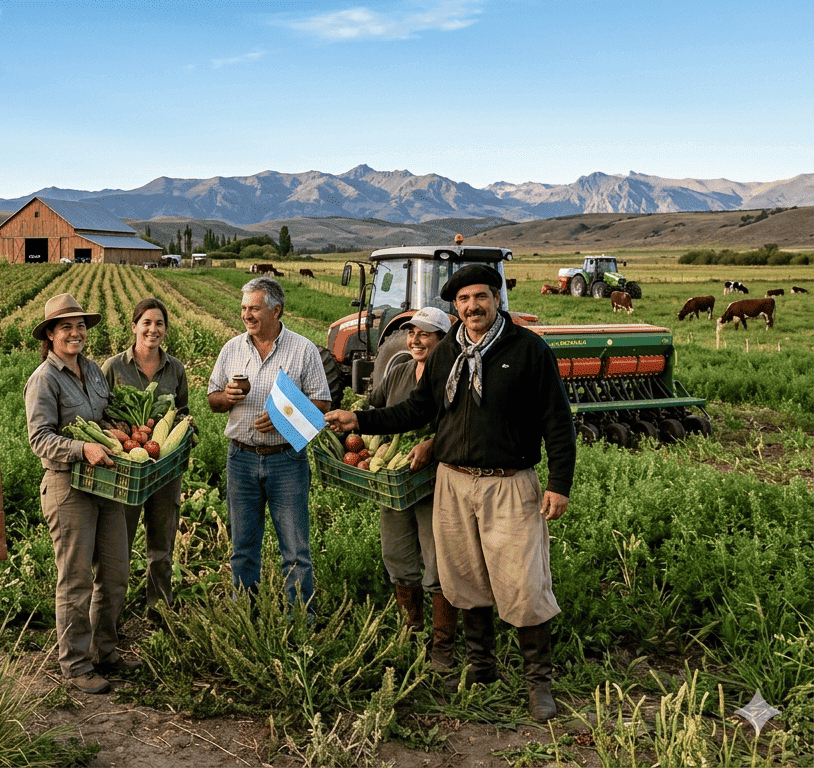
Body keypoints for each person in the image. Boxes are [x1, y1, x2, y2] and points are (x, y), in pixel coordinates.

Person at [323, 264, 575, 722]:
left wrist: (559, 483)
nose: (472, 306)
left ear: (497, 299)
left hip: (509, 484)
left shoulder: (528, 350)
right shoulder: (446, 356)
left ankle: (538, 683)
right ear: (454, 308)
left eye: (480, 297)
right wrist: (358, 420)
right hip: (454, 482)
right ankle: (482, 667)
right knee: (465, 578)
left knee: (523, 582)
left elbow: (557, 420)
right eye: (463, 300)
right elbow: (414, 410)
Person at [24, 293, 137, 695]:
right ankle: (74, 664)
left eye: (80, 326)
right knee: (75, 581)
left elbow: (100, 416)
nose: (75, 333)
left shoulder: (91, 369)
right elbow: (40, 439)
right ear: (51, 335)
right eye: (66, 327)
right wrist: (81, 449)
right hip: (67, 487)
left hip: (104, 483)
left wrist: (113, 430)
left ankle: (104, 651)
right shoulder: (44, 379)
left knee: (115, 572)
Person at [208, 276, 329, 607]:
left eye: (255, 308)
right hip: (241, 459)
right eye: (244, 308)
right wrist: (226, 397)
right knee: (243, 549)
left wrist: (283, 415)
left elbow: (322, 404)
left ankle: (300, 624)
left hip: (286, 460)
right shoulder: (232, 348)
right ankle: (246, 615)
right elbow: (212, 399)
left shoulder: (303, 349)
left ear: (277, 310)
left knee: (295, 550)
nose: (247, 315)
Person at [363, 307, 458, 671]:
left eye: (425, 335)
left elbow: (461, 423)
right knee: (398, 557)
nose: (415, 340)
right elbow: (376, 408)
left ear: (441, 340)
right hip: (395, 480)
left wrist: (432, 443)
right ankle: (411, 634)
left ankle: (442, 647)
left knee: (436, 562)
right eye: (412, 333)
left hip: (433, 482)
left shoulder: (451, 376)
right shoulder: (399, 371)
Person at [101, 297, 189, 613]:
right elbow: (101, 415)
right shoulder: (113, 367)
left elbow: (182, 412)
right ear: (135, 326)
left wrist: (177, 437)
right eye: (147, 323)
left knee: (162, 548)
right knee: (116, 548)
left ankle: (159, 611)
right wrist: (122, 434)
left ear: (165, 329)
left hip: (164, 470)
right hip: (126, 468)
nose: (153, 329)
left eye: (159, 323)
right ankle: (111, 616)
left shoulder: (175, 368)